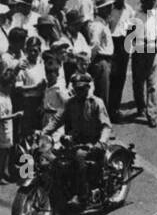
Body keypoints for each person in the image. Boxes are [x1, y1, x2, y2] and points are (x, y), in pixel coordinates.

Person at [46, 71, 112, 200]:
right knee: (57, 158)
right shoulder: (70, 103)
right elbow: (57, 120)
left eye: (82, 88)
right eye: (76, 88)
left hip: (93, 143)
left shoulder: (96, 103)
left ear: (88, 87)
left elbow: (106, 126)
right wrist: (44, 132)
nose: (79, 91)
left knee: (79, 158)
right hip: (77, 141)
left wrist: (101, 142)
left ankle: (83, 193)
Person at [128, 0, 157, 127]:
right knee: (138, 82)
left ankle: (151, 113)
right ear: (143, 2)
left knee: (152, 83)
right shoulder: (135, 15)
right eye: (150, 0)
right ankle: (140, 107)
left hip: (152, 51)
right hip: (139, 51)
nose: (154, 2)